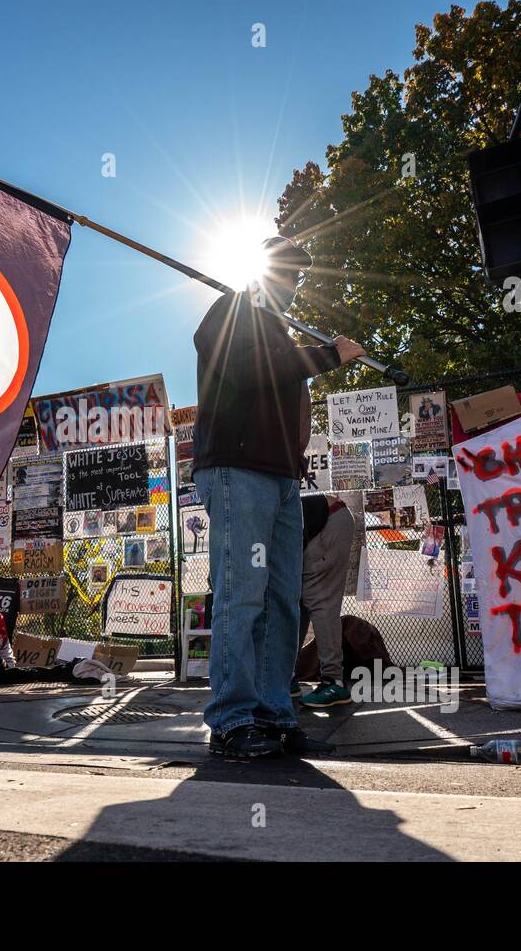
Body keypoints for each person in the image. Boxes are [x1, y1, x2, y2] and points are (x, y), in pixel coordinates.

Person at [193, 235, 363, 759]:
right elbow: (250, 371)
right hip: (237, 471)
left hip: (283, 479)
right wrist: (328, 355)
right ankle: (232, 717)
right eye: (283, 272)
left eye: (297, 276)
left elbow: (278, 375)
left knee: (282, 602)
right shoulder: (230, 312)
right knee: (242, 595)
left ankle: (272, 711)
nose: (291, 283)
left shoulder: (279, 335)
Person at [293, 493, 356, 708]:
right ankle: (285, 675)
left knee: (320, 601)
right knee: (295, 602)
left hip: (329, 521)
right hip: (324, 521)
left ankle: (333, 681)